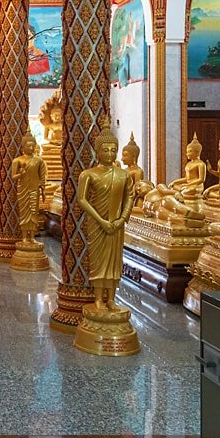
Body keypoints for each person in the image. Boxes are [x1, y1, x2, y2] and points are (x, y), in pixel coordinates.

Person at [77, 127, 134, 310]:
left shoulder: (124, 175)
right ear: (97, 151)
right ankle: (99, 299)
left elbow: (130, 197)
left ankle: (111, 298)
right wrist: (101, 221)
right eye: (105, 150)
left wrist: (122, 219)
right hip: (97, 224)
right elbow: (82, 199)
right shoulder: (88, 174)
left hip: (116, 224)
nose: (109, 154)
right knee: (98, 260)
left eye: (113, 150)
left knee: (114, 261)